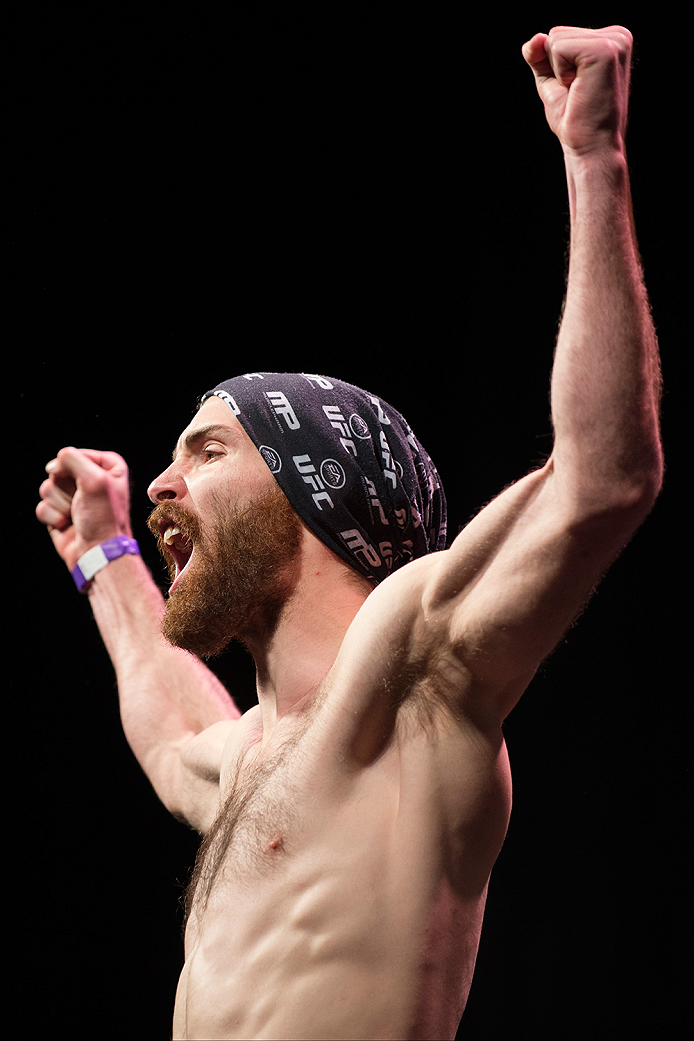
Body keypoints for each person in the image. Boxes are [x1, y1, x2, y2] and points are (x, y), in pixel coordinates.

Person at [36, 25, 663, 1041]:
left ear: (308, 491)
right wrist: (102, 556)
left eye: (205, 452)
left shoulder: (414, 667)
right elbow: (169, 729)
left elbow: (602, 480)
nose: (162, 483)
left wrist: (593, 159)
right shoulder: (243, 759)